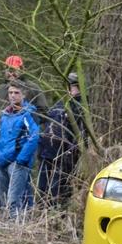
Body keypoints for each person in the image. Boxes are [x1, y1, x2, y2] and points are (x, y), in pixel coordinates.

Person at [0, 54, 49, 213]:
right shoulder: (0, 90)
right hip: (1, 141)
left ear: (22, 69)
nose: (10, 73)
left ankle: (25, 212)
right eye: (8, 69)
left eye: (14, 70)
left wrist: (25, 121)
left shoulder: (32, 88)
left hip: (21, 143)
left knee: (21, 181)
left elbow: (44, 111)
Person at [0, 82, 40, 218]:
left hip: (17, 163)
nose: (13, 96)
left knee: (13, 200)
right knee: (3, 200)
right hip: (1, 161)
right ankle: (4, 230)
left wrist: (21, 159)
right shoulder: (5, 114)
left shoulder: (29, 113)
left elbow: (34, 137)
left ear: (23, 95)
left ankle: (15, 230)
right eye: (10, 93)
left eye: (16, 93)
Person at [37, 72, 85, 206]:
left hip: (65, 156)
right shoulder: (59, 103)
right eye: (69, 86)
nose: (71, 89)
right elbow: (47, 124)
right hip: (47, 152)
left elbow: (81, 135)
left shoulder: (81, 108)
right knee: (42, 187)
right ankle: (42, 213)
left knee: (58, 189)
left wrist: (71, 152)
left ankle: (57, 215)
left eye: (74, 86)